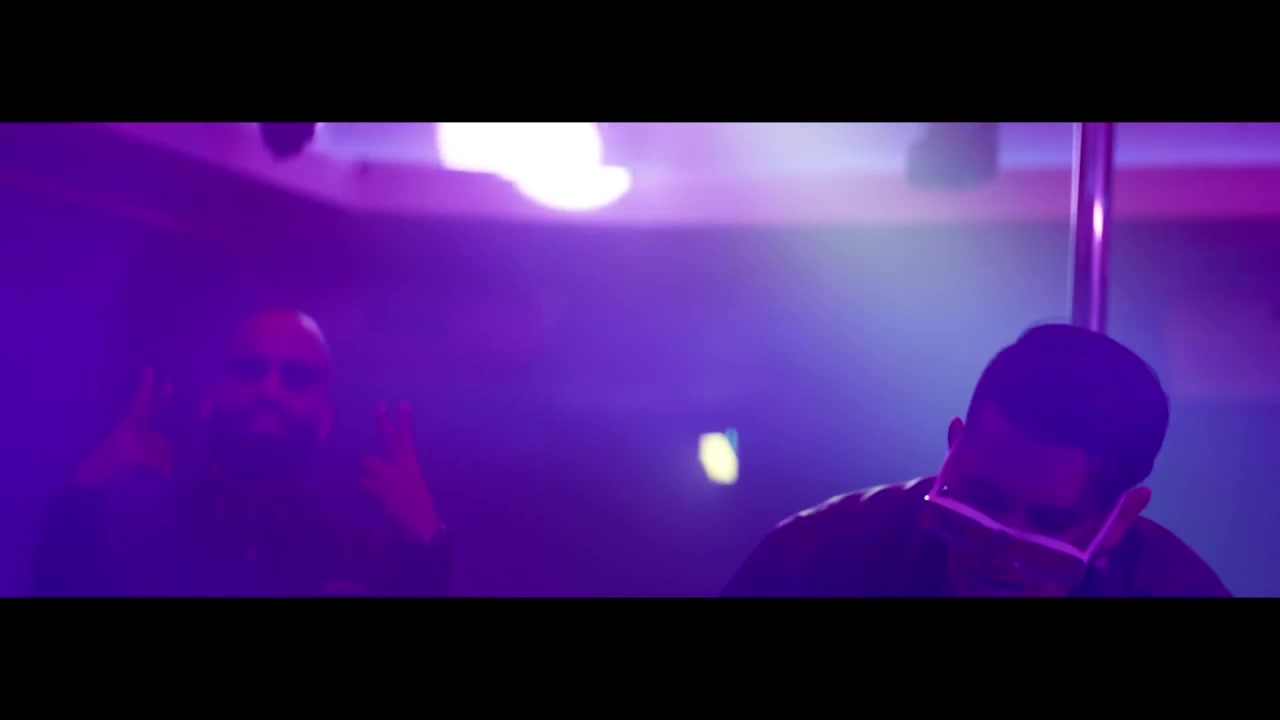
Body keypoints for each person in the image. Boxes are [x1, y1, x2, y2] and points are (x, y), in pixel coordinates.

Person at [722, 324, 1230, 598]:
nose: (998, 554)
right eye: (977, 505)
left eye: (1046, 527)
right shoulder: (817, 559)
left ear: (1120, 519)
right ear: (954, 449)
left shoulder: (1174, 589)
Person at [30, 309, 452, 597]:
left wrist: (427, 538)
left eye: (296, 377)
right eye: (250, 370)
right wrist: (85, 491)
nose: (270, 389)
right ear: (208, 400)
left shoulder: (358, 560)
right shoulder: (137, 540)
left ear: (326, 418)